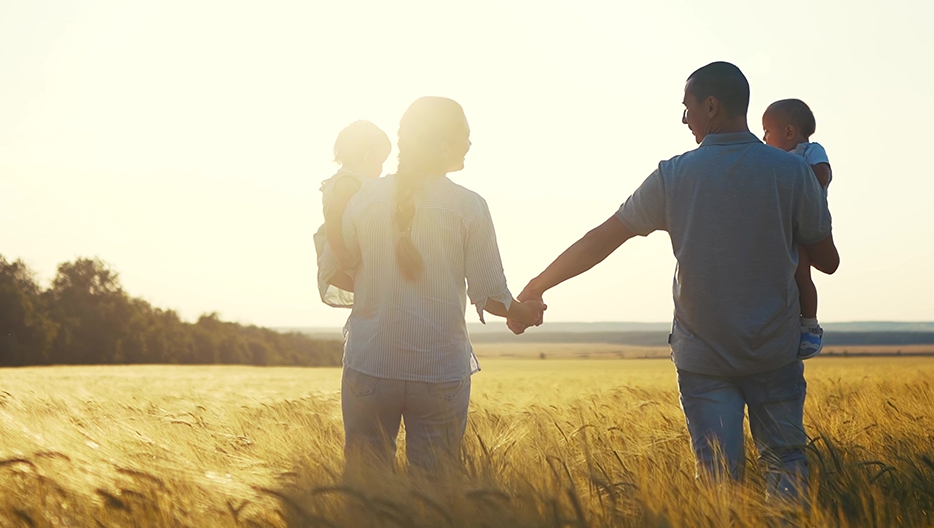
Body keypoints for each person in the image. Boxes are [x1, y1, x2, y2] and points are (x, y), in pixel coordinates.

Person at [517, 62, 837, 498]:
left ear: (711, 105)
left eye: (687, 107)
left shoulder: (674, 175)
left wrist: (537, 285)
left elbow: (602, 239)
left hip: (703, 358)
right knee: (785, 464)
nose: (684, 118)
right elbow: (828, 260)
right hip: (774, 352)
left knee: (718, 483)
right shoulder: (793, 172)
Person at [336, 97, 543, 477]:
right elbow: (491, 295)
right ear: (444, 145)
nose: (470, 144)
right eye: (465, 136)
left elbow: (345, 267)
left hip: (370, 363)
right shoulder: (468, 206)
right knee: (436, 494)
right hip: (438, 372)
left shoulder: (363, 199)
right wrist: (523, 313)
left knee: (364, 492)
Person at [761, 99, 833, 359]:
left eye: (768, 131)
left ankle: (810, 324)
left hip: (810, 224)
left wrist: (793, 175)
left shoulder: (811, 151)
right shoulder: (774, 159)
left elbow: (822, 175)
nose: (764, 137)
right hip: (785, 226)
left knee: (803, 275)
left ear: (789, 132)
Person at [314, 120, 392, 307]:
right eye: (381, 162)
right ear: (368, 156)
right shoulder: (348, 183)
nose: (382, 169)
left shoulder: (349, 180)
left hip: (342, 250)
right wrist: (340, 251)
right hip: (338, 256)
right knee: (377, 292)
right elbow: (332, 217)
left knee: (373, 295)